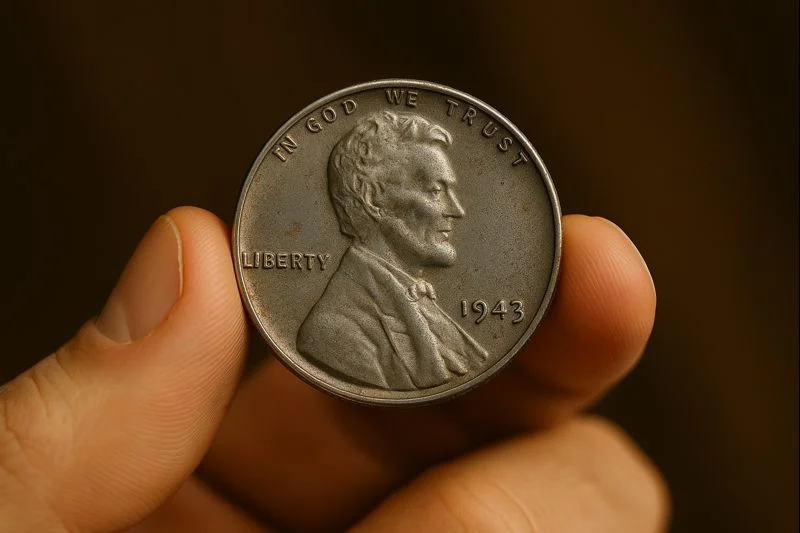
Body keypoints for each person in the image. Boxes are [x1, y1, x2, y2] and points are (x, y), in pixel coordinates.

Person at [0, 207, 668, 531]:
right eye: (435, 189)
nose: (456, 207)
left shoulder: (425, 314)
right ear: (376, 206)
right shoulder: (337, 329)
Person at [297, 111, 487, 391]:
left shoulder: (420, 301)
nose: (456, 211)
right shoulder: (332, 332)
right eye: (435, 191)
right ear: (373, 198)